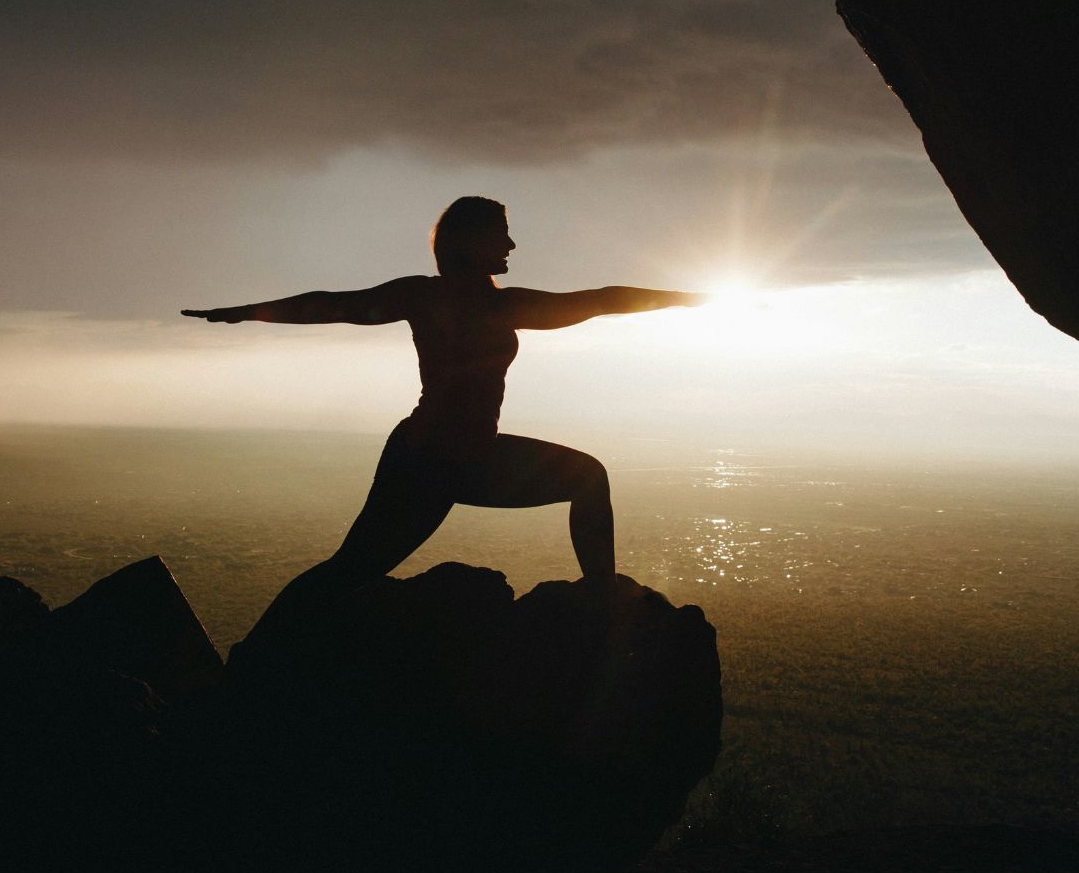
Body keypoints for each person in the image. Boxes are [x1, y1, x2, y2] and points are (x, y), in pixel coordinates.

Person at [183, 195, 702, 645]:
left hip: (464, 456)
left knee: (587, 478)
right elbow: (335, 306)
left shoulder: (485, 303)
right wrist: (249, 311)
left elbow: (600, 301)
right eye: (502, 234)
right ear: (471, 240)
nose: (512, 246)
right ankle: (260, 649)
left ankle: (598, 599)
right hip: (427, 463)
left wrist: (686, 298)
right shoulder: (435, 297)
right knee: (354, 568)